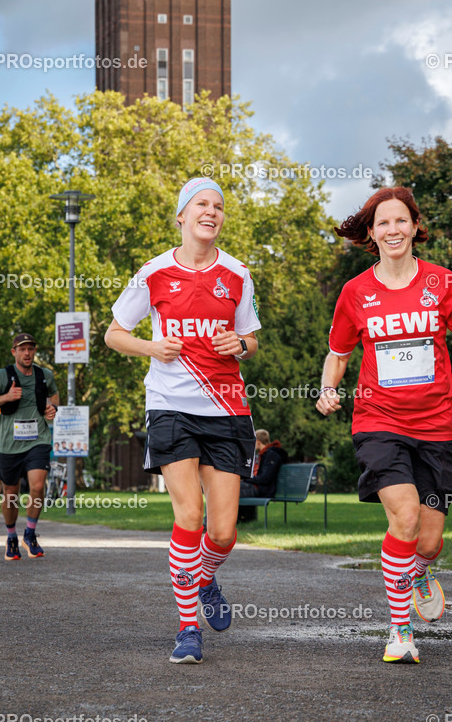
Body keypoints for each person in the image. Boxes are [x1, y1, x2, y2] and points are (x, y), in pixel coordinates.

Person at [316, 186, 452, 664]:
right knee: (404, 516)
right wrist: (328, 389)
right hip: (378, 422)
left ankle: (419, 570)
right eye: (383, 223)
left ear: (415, 227)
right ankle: (399, 632)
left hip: (436, 427)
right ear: (372, 233)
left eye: (401, 221)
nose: (393, 229)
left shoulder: (440, 283)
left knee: (430, 540)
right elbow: (338, 354)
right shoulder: (355, 292)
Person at [105, 177, 260, 665]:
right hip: (170, 406)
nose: (211, 211)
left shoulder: (237, 274)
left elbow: (251, 339)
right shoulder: (152, 273)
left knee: (223, 532)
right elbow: (114, 334)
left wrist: (240, 344)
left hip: (228, 410)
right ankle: (188, 627)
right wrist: (152, 346)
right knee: (189, 517)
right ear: (182, 216)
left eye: (218, 206)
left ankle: (207, 574)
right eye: (201, 204)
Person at [0, 333, 58, 560]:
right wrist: (6, 396)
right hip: (9, 444)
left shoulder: (45, 375)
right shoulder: (2, 376)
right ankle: (12, 537)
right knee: (10, 493)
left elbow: (54, 396)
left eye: (30, 349)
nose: (27, 353)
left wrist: (51, 409)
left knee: (37, 485)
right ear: (14, 352)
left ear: (34, 351)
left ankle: (30, 534)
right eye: (22, 349)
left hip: (38, 440)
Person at [239, 429, 287, 498]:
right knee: (230, 486)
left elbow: (265, 478)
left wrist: (245, 478)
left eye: (254, 441)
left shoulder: (271, 456)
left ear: (258, 442)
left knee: (231, 488)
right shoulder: (261, 455)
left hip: (261, 490)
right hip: (253, 486)